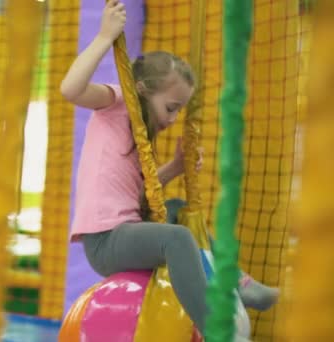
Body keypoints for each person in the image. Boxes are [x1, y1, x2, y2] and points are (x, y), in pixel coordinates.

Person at [62, 0, 278, 339]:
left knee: (179, 210)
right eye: (171, 108)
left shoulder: (141, 131)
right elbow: (70, 89)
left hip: (126, 231)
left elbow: (135, 194)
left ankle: (240, 282)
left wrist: (176, 167)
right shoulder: (118, 103)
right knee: (175, 239)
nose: (174, 119)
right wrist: (105, 37)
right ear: (144, 92)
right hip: (105, 241)